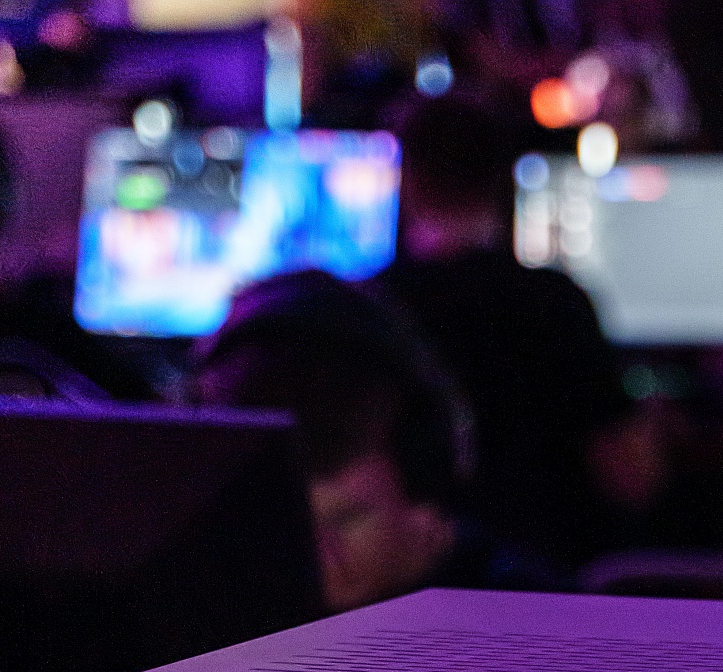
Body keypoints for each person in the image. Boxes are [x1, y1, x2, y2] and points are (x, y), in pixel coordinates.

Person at [387, 91, 662, 570]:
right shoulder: (555, 303)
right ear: (504, 179)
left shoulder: (368, 308)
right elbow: (633, 479)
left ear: (407, 181)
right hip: (542, 585)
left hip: (406, 590)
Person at [193, 270, 555, 609]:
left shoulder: (531, 615)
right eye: (278, 525)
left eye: (344, 519)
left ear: (426, 496)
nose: (316, 560)